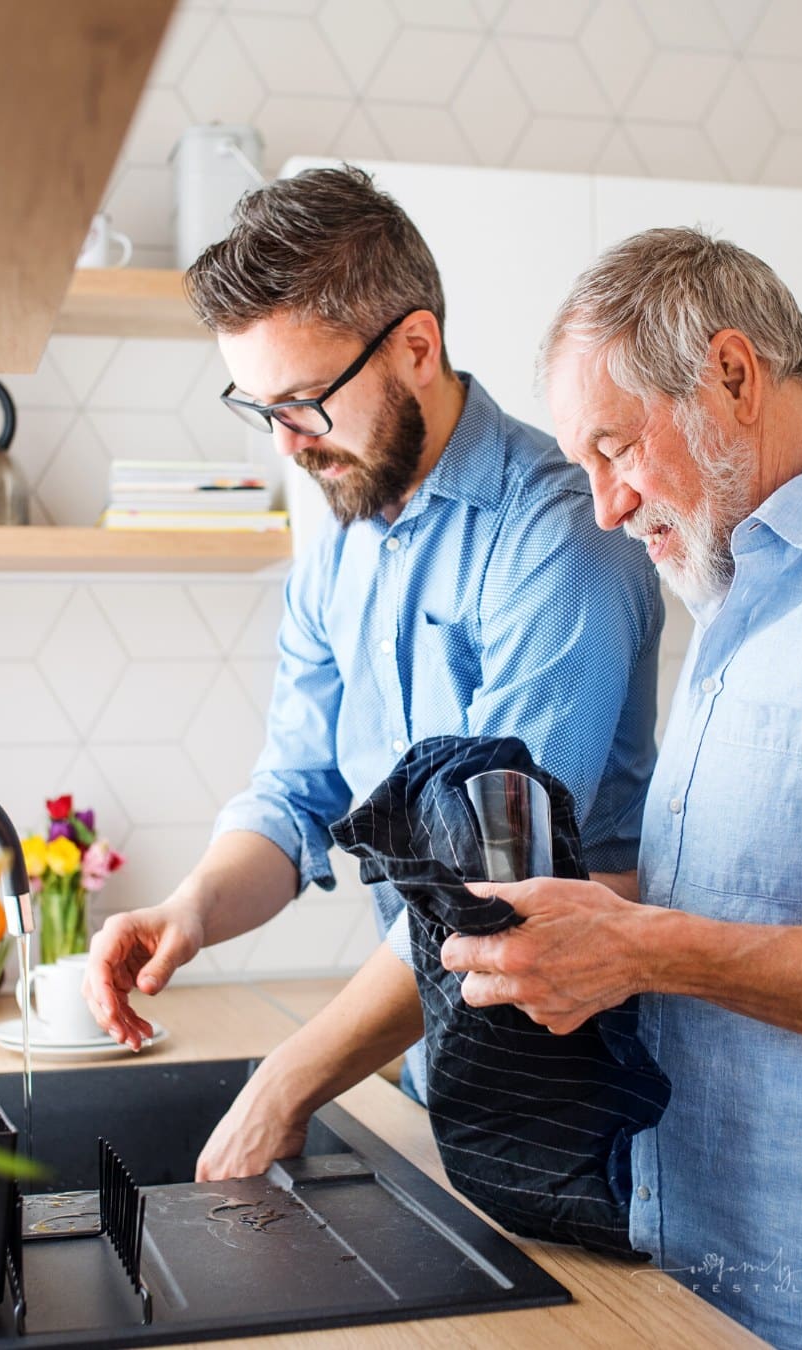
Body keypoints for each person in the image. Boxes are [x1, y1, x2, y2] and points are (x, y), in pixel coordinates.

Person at [84, 166, 662, 1176]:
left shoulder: (557, 536)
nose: (287, 444)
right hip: (443, 1059)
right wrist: (193, 909)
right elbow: (295, 791)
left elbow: (491, 886)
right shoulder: (342, 550)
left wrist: (289, 1078)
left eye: (305, 403)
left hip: (585, 1091)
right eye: (258, 407)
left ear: (416, 347)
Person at [439, 226, 802, 1350]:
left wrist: (645, 949)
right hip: (698, 1280)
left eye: (616, 447)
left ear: (732, 375)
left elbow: (692, 944)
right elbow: (768, 891)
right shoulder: (733, 591)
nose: (603, 507)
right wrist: (569, 918)